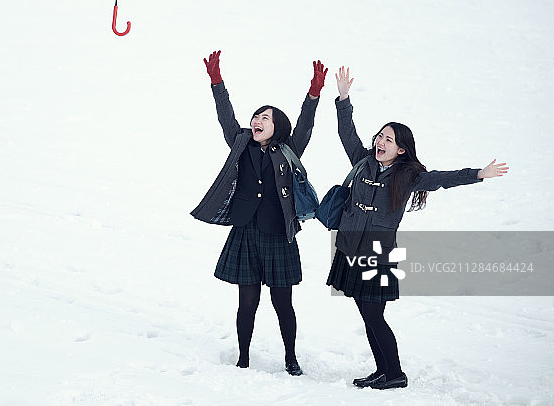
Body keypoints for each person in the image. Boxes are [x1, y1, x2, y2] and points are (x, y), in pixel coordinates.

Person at [327, 66, 509, 390]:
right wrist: (343, 99)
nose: (381, 141)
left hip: (378, 254)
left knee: (373, 315)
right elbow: (346, 132)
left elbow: (441, 179)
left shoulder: (407, 176)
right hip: (350, 246)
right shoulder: (363, 160)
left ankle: (394, 373)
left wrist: (478, 173)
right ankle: (383, 371)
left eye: (389, 139)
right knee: (368, 314)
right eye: (380, 136)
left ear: (401, 150)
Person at [191, 50, 328, 375]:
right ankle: (243, 357)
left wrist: (313, 95)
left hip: (279, 234)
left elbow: (306, 125)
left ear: (277, 127)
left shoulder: (288, 149)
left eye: (265, 118)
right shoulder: (241, 142)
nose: (257, 121)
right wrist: (216, 82)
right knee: (246, 302)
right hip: (245, 232)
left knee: (283, 304)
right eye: (256, 116)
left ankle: (291, 358)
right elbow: (226, 116)